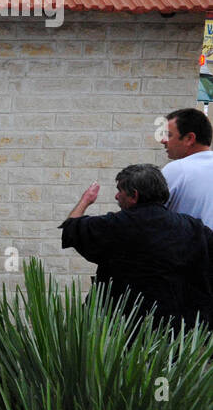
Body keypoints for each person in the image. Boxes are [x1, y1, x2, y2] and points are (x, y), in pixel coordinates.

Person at [60, 164, 213, 330]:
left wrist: (86, 200)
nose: (116, 196)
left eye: (120, 190)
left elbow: (70, 228)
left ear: (134, 195)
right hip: (178, 334)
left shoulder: (114, 226)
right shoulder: (193, 228)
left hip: (122, 332)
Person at [161, 107, 213, 228]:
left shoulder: (176, 169)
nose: (163, 140)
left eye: (169, 135)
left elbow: (147, 216)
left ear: (189, 138)